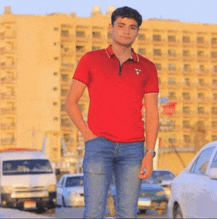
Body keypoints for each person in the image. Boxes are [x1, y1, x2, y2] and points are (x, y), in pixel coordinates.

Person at [66, 6, 159, 218]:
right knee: (94, 212)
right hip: (99, 145)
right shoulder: (91, 60)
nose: (127, 31)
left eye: (132, 28)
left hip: (134, 149)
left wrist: (149, 152)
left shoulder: (147, 67)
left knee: (128, 212)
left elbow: (152, 113)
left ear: (137, 32)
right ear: (111, 27)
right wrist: (90, 137)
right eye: (122, 26)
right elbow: (71, 102)